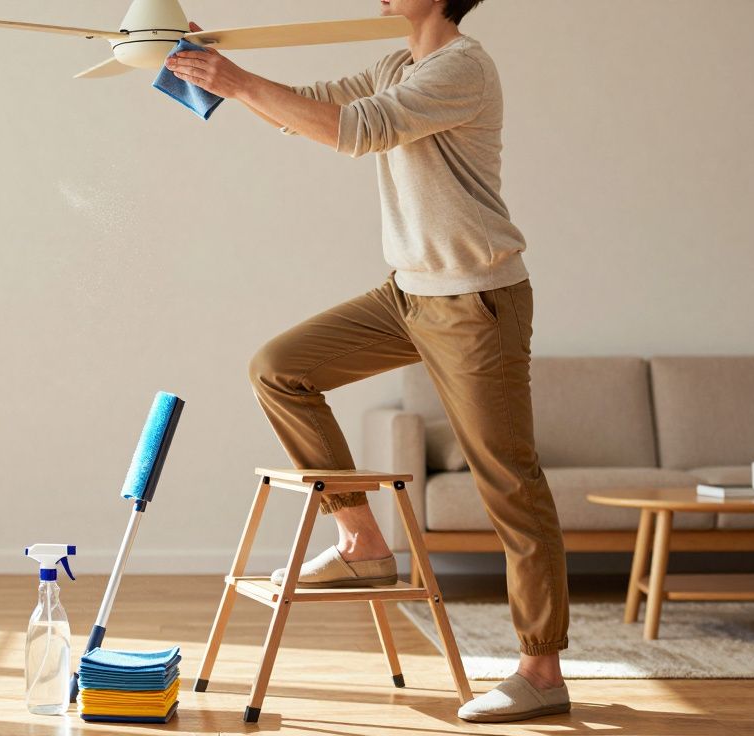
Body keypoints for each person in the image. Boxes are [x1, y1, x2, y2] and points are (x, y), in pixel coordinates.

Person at [165, 0, 571, 723]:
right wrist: (221, 76)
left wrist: (235, 79)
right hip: (407, 294)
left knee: (508, 480)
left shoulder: (464, 67)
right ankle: (361, 540)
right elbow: (310, 111)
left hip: (476, 302)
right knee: (279, 367)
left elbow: (357, 132)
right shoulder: (396, 64)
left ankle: (541, 670)